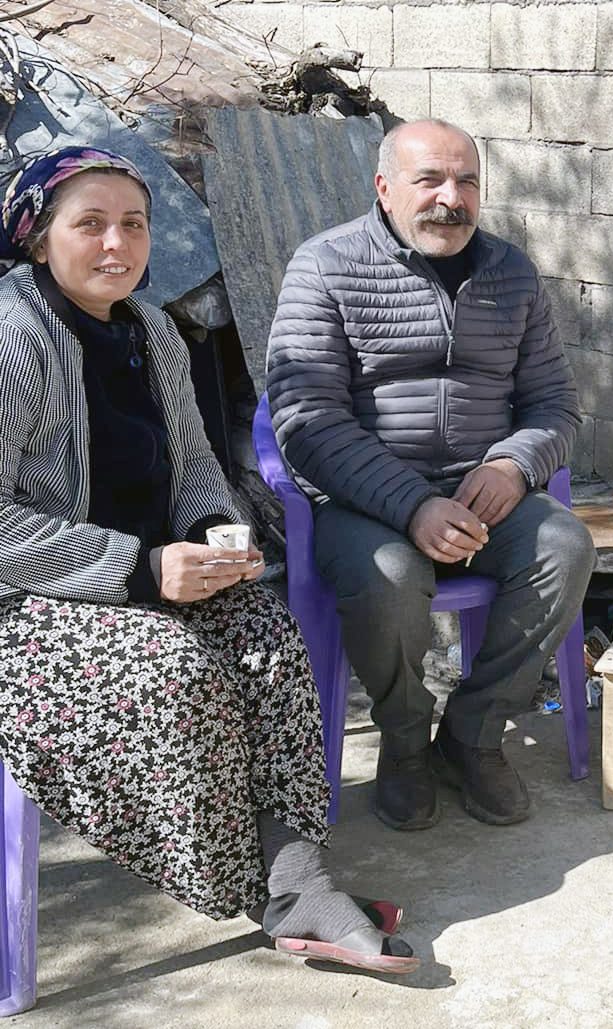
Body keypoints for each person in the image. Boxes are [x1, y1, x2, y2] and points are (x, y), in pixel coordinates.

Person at [0, 147, 415, 973]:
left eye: (134, 223)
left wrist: (217, 532)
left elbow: (193, 464)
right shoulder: (13, 337)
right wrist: (143, 569)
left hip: (145, 578)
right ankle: (277, 889)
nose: (117, 244)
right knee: (176, 668)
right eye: (90, 224)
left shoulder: (151, 330)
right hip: (27, 605)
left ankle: (298, 880)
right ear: (40, 238)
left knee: (266, 635)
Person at [267, 118, 595, 832]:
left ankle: (472, 737)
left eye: (467, 181)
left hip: (488, 498)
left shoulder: (511, 272)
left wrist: (516, 462)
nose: (452, 198)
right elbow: (306, 417)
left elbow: (556, 403)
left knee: (566, 547)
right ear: (384, 188)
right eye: (430, 180)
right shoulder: (325, 265)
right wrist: (413, 503)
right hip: (367, 503)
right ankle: (407, 743)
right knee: (387, 577)